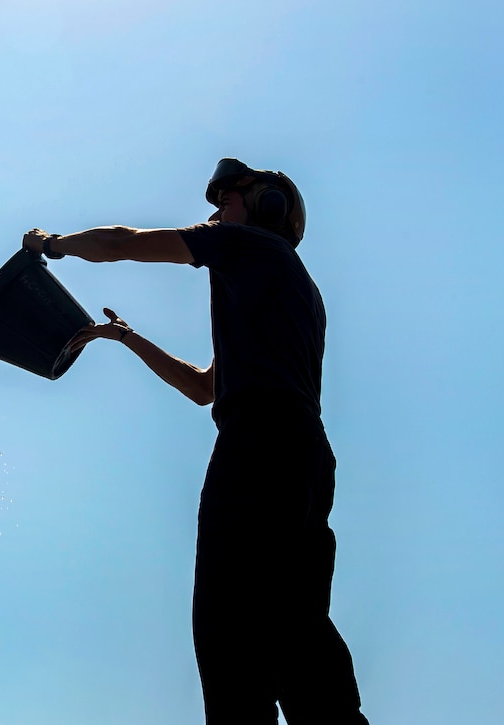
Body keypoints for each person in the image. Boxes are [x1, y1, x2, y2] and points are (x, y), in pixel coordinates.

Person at [22, 158, 369, 725]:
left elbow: (124, 243)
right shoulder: (296, 286)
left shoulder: (248, 247)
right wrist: (126, 338)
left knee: (228, 628)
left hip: (257, 447)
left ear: (265, 207)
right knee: (294, 631)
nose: (213, 216)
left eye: (225, 202)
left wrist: (52, 244)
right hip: (303, 456)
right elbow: (205, 387)